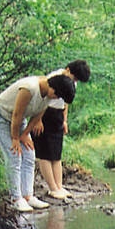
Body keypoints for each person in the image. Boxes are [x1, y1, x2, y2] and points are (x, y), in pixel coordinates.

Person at [0, 74, 76, 212]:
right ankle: (16, 199)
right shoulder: (29, 88)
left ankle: (28, 196)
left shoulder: (47, 96)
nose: (57, 99)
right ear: (53, 89)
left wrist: (24, 135)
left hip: (19, 121)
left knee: (29, 154)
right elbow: (17, 113)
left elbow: (37, 116)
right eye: (58, 96)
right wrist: (15, 138)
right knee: (14, 155)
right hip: (1, 117)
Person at [32, 60, 90, 200]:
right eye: (74, 77)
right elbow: (42, 98)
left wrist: (64, 120)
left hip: (57, 115)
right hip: (44, 113)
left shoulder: (70, 82)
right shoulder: (55, 78)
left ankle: (59, 186)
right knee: (45, 153)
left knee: (56, 154)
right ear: (68, 70)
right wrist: (37, 120)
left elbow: (66, 102)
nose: (75, 81)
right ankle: (52, 188)